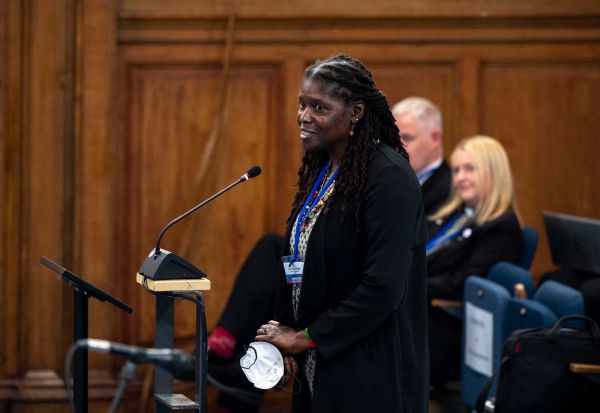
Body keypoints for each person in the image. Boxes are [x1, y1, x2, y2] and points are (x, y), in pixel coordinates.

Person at [255, 54, 429, 413]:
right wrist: (286, 333)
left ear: (356, 111)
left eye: (319, 107)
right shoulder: (323, 167)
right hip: (318, 356)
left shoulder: (389, 177)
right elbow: (298, 257)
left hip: (368, 366)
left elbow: (382, 290)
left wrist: (305, 339)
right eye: (302, 104)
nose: (304, 117)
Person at [425, 135, 523, 387]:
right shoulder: (456, 215)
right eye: (456, 170)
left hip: (449, 322)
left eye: (470, 168)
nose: (459, 177)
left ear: (495, 172)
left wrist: (408, 284)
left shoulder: (501, 227)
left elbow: (462, 282)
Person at [392, 97, 451, 215]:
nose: (396, 147)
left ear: (435, 138)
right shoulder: (386, 183)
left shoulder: (454, 190)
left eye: (407, 138)